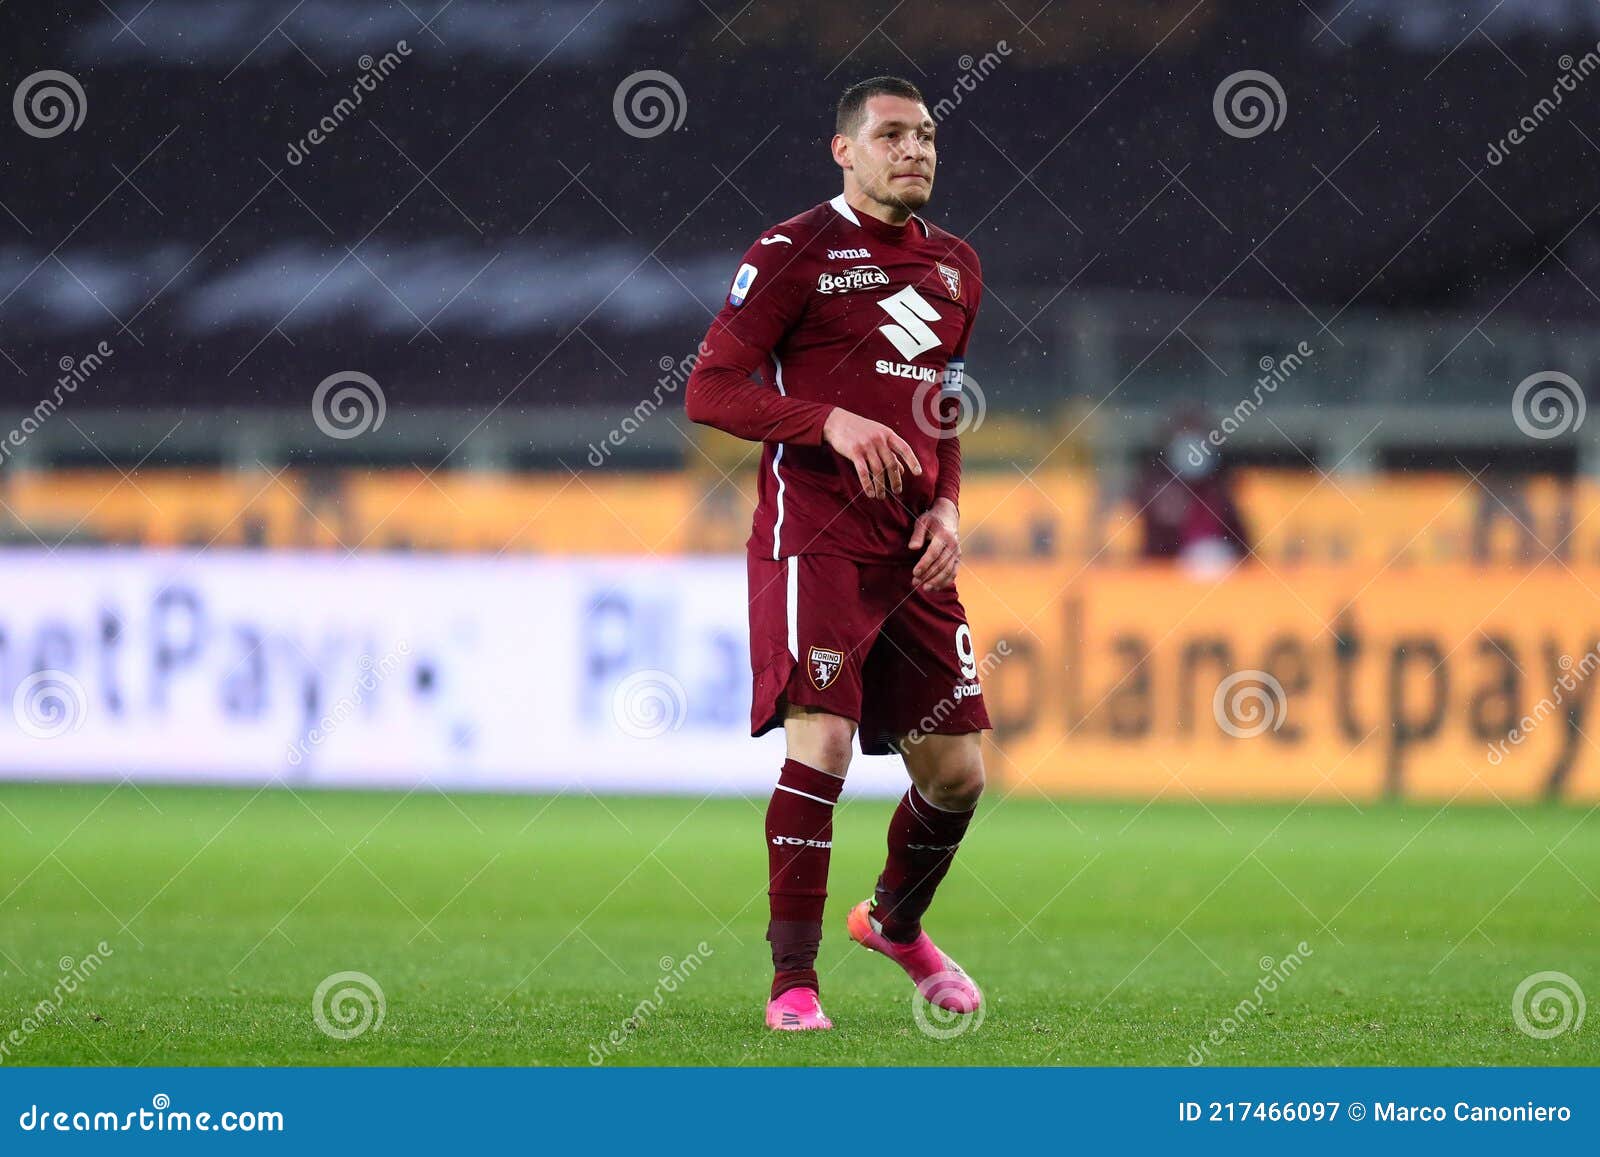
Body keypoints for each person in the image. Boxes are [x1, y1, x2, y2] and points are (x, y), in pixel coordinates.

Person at [685, 76, 989, 1031]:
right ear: (843, 150)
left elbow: (940, 408)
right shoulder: (790, 251)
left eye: (928, 135)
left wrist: (944, 506)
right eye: (893, 134)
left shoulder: (956, 268)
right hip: (811, 534)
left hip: (909, 549)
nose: (915, 150)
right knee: (820, 743)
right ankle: (793, 983)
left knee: (958, 772)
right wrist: (828, 421)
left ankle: (895, 921)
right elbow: (712, 390)